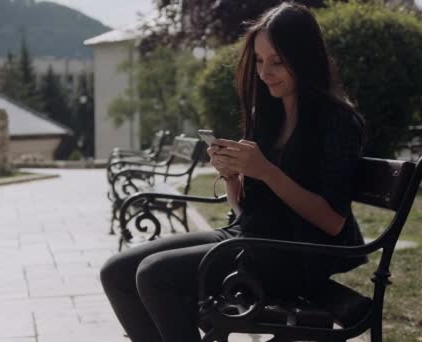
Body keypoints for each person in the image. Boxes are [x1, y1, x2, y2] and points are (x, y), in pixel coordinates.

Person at [99, 3, 367, 342]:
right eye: (258, 60)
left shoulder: (337, 122)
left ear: (305, 59)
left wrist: (267, 172)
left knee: (155, 275)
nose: (264, 71)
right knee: (117, 272)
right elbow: (245, 211)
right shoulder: (269, 115)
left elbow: (333, 222)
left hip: (296, 257)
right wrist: (232, 177)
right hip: (251, 237)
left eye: (277, 61)